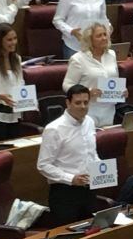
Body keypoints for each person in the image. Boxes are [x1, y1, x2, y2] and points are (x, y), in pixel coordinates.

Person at [36, 84, 100, 224]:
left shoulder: (90, 122)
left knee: (92, 232)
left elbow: (91, 153)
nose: (83, 106)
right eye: (78, 103)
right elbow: (43, 165)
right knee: (68, 233)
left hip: (89, 190)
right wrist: (71, 178)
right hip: (65, 193)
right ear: (68, 103)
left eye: (86, 102)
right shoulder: (54, 129)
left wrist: (102, 168)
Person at [63, 22, 126, 127]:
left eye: (105, 34)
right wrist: (87, 92)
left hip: (109, 109)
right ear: (90, 40)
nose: (104, 38)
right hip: (88, 110)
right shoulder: (78, 59)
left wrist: (122, 91)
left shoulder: (112, 54)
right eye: (99, 36)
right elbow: (67, 85)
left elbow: (114, 79)